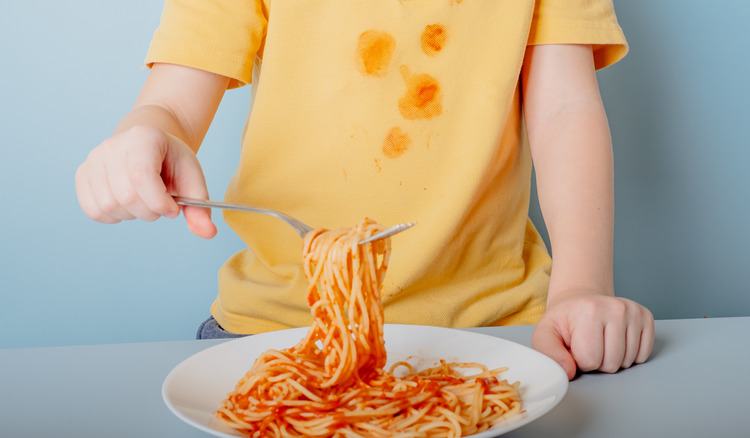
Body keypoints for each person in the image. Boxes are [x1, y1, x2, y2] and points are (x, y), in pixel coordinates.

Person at [75, 0, 654, 380]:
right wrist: (143, 134)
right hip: (274, 333)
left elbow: (564, 110)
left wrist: (581, 287)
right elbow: (171, 101)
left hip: (491, 330)